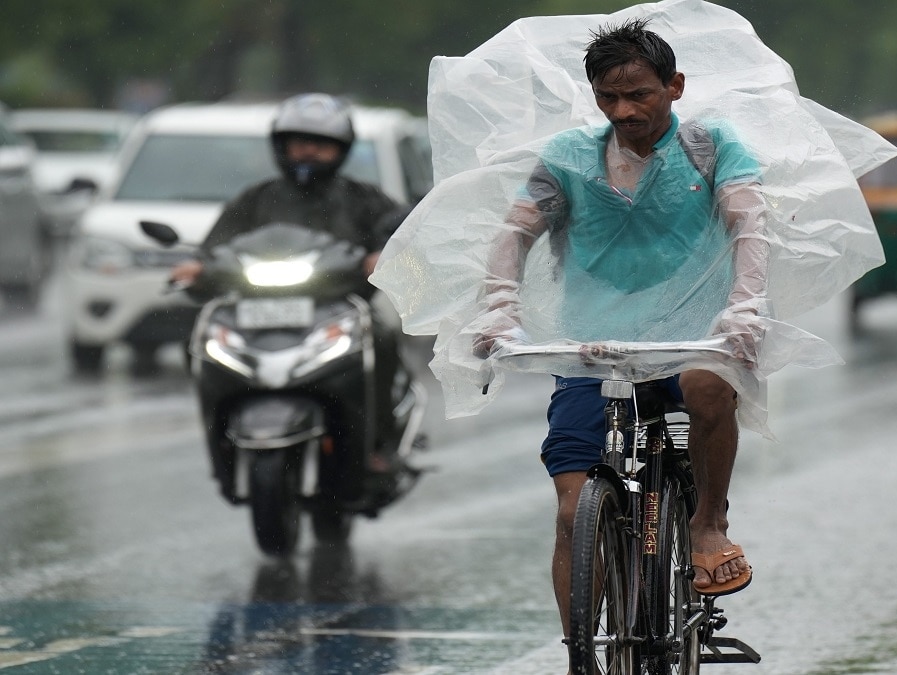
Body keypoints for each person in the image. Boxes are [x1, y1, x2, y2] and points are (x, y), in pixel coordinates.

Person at [472, 18, 764, 635]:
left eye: (640, 95)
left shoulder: (711, 148)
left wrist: (744, 307)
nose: (624, 110)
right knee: (573, 511)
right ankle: (582, 648)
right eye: (609, 97)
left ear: (675, 86)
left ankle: (708, 522)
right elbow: (515, 231)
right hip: (593, 349)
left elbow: (749, 224)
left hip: (689, 336)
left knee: (711, 388)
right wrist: (499, 306)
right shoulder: (569, 158)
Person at [170, 92, 412, 480]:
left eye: (320, 145)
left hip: (338, 308)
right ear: (281, 147)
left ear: (341, 150)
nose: (308, 153)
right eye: (299, 143)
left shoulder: (362, 198)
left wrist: (382, 255)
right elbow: (214, 247)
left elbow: (402, 233)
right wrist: (196, 267)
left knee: (380, 340)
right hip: (253, 308)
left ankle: (378, 442)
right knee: (198, 341)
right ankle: (221, 440)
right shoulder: (257, 197)